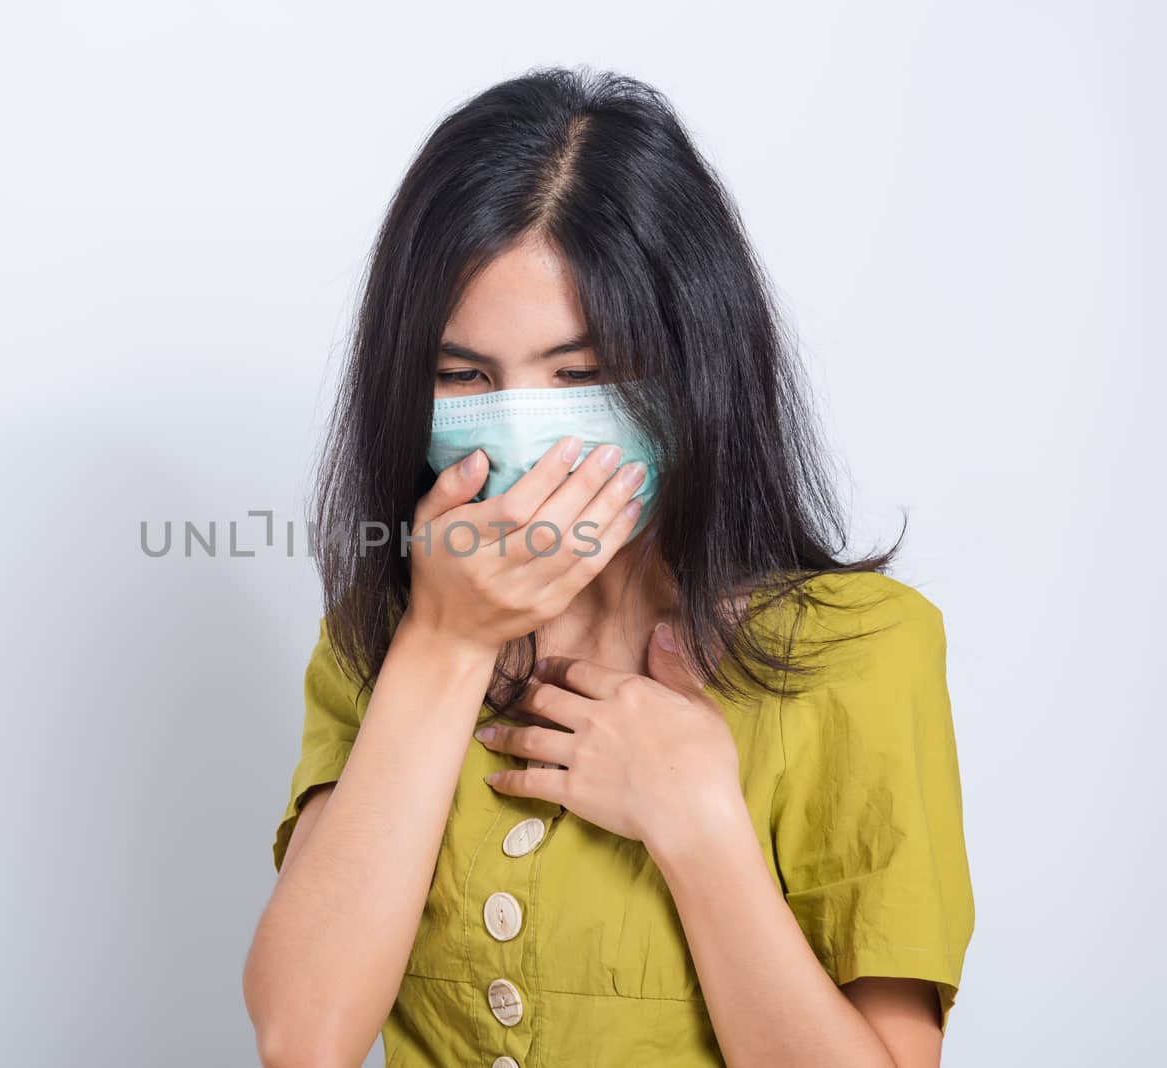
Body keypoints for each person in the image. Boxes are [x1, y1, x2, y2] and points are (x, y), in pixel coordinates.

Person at [243, 65, 973, 1068]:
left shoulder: (859, 650)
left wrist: (701, 827)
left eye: (578, 374)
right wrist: (444, 648)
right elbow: (302, 1038)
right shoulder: (380, 640)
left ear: (691, 362)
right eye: (463, 375)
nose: (521, 422)